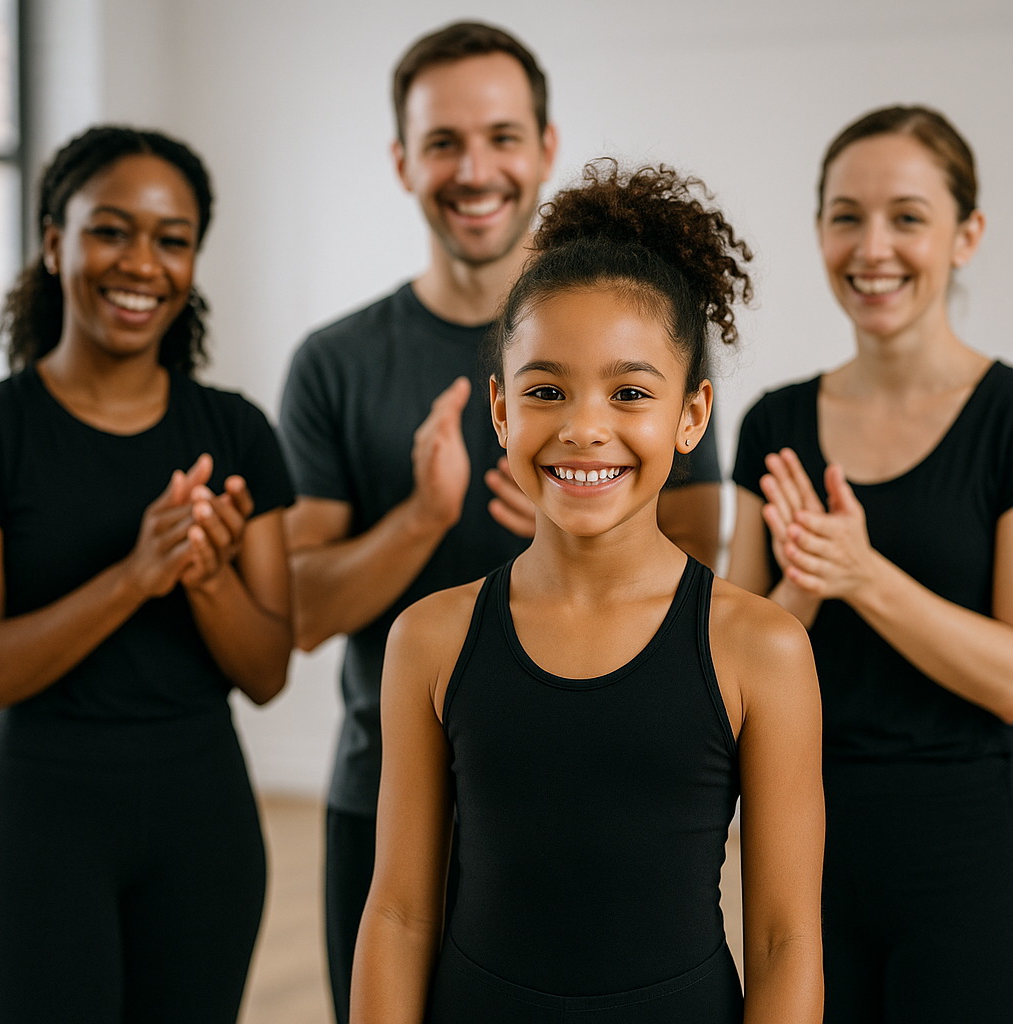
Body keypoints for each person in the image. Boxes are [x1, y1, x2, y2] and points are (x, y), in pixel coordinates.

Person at [278, 21, 724, 1022]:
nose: (473, 168)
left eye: (500, 135)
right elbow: (294, 615)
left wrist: (579, 517)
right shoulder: (336, 362)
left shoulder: (647, 332)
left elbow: (703, 570)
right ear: (402, 161)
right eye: (442, 141)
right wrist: (420, 521)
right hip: (389, 790)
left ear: (546, 145)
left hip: (609, 787)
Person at [350, 160, 824, 1024]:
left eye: (630, 391)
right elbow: (399, 913)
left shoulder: (763, 648)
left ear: (692, 414)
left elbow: (786, 941)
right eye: (546, 390)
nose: (583, 426)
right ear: (500, 411)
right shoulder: (430, 638)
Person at [0, 126, 295, 1024]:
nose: (142, 263)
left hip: (203, 817)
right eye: (110, 230)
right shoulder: (0, 432)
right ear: (54, 243)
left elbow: (269, 672)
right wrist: (134, 574)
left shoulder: (236, 433)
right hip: (39, 819)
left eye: (172, 239)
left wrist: (205, 578)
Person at [728, 106, 1013, 1023]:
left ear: (966, 234)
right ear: (819, 232)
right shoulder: (772, 424)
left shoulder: (1006, 417)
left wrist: (863, 574)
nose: (872, 246)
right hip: (802, 838)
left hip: (972, 848)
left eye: (907, 216)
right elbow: (723, 665)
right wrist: (803, 587)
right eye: (846, 215)